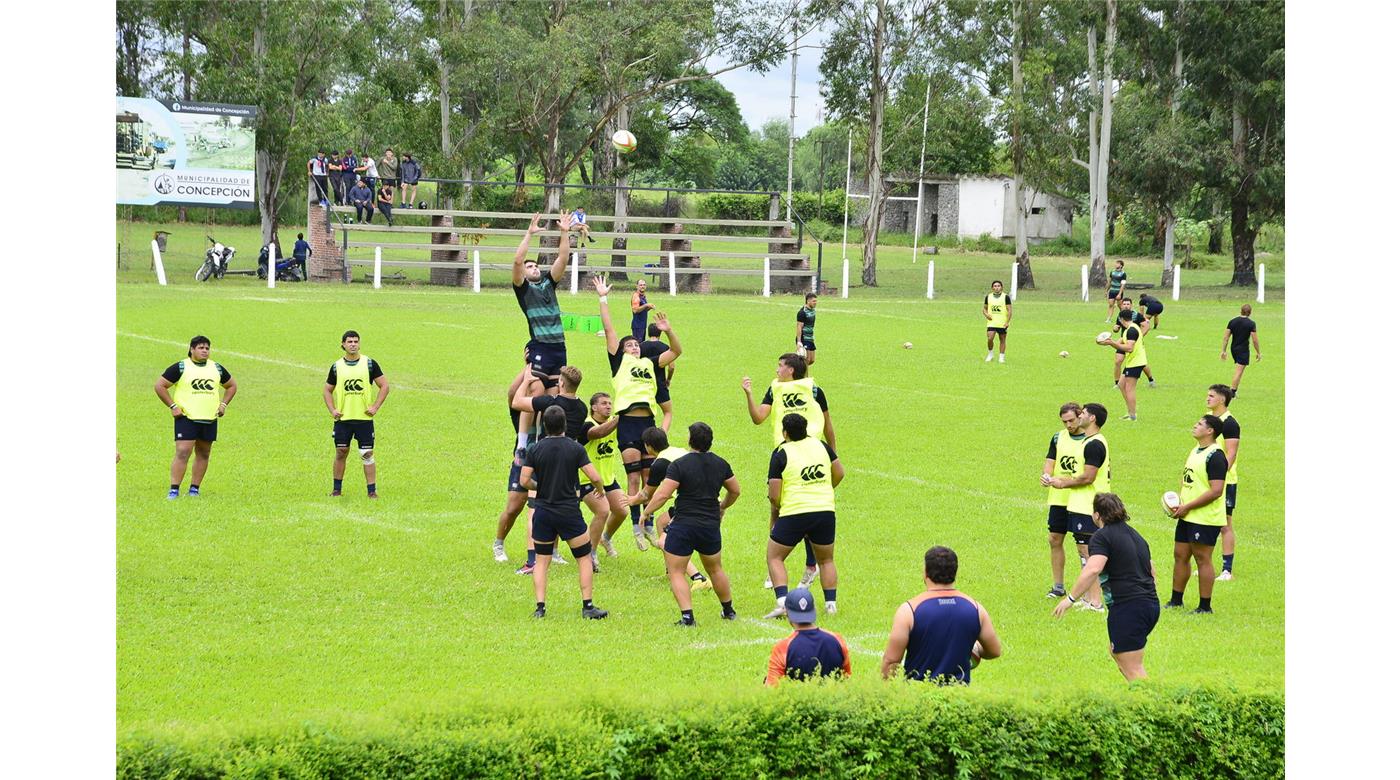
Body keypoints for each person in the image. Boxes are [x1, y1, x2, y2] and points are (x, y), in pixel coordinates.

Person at [594, 274, 681, 539]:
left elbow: (676, 352)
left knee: (649, 477)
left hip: (648, 424)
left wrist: (668, 330)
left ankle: (647, 519)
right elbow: (610, 330)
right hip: (628, 423)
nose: (633, 347)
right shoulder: (620, 363)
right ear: (621, 351)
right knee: (633, 477)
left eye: (635, 344)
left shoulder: (650, 363)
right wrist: (603, 298)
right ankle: (635, 526)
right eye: (628, 345)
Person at [742, 352, 835, 589]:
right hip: (785, 455)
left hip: (812, 452)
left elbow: (828, 424)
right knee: (779, 508)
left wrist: (831, 455)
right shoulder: (775, 390)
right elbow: (758, 418)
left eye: (780, 366)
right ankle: (786, 568)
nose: (776, 370)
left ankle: (802, 565)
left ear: (791, 370)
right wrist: (749, 395)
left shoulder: (814, 391)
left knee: (799, 508)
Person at [640, 422, 740, 626]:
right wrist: (722, 506)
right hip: (710, 525)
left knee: (676, 571)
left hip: (684, 524)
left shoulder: (680, 464)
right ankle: (728, 611)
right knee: (715, 569)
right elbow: (735, 490)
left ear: (690, 440)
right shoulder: (721, 463)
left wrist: (647, 512)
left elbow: (663, 494)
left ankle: (688, 617)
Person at [1052, 493, 1159, 682]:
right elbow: (1152, 572)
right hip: (1149, 606)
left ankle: (1153, 706)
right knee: (1117, 651)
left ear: (1096, 515)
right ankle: (1139, 699)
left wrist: (1070, 599)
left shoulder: (1102, 537)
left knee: (1132, 667)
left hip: (1128, 607)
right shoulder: (1137, 536)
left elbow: (1093, 569)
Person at [519, 406, 609, 619]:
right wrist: (600, 490)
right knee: (584, 557)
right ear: (565, 426)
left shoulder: (535, 449)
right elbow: (595, 476)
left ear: (545, 426)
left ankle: (540, 608)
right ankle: (587, 606)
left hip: (543, 512)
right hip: (568, 511)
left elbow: (524, 480)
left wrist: (539, 488)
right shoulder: (575, 448)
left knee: (542, 561)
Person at [508, 365, 596, 570]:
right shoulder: (582, 408)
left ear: (561, 383)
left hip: (545, 459)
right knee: (566, 508)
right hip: (569, 463)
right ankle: (562, 553)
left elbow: (516, 402)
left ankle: (532, 560)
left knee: (534, 510)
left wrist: (526, 381)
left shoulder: (551, 404)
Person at [880, 546, 1002, 684]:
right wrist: (976, 650)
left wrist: (888, 695)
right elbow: (994, 651)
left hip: (918, 696)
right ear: (955, 572)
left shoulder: (909, 610)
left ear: (925, 573)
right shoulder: (976, 609)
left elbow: (891, 661)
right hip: (956, 699)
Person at [763, 414, 844, 619]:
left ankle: (782, 602)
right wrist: (825, 489)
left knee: (774, 556)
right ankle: (831, 605)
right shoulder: (821, 445)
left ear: (785, 433)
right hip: (825, 510)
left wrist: (781, 506)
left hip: (795, 511)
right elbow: (840, 472)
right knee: (826, 560)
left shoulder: (781, 452)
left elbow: (774, 494)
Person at [511, 214, 569, 453]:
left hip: (559, 348)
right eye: (530, 266)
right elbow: (516, 261)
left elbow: (563, 258)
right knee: (533, 392)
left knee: (553, 399)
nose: (534, 268)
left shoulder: (548, 283)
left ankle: (543, 441)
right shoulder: (523, 290)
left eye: (536, 265)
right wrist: (529, 234)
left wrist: (564, 232)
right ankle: (523, 444)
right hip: (540, 347)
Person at [1042, 402, 1109, 609]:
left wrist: (1063, 482)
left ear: (1088, 417)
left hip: (1085, 501)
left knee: (1089, 550)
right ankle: (1085, 596)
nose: (1070, 424)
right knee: (1079, 547)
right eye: (1065, 421)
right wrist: (1050, 477)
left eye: (1074, 418)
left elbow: (1088, 477)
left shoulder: (1092, 443)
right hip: (1071, 501)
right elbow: (1052, 462)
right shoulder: (1066, 438)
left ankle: (1095, 600)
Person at [154, 335, 237, 499]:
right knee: (183, 452)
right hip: (186, 417)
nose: (205, 351)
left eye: (207, 348)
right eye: (201, 348)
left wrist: (223, 404)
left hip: (209, 418)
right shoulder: (181, 367)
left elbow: (232, 385)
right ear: (192, 349)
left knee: (204, 453)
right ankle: (174, 489)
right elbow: (160, 385)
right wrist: (173, 406)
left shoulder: (217, 368)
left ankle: (194, 489)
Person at [631, 427, 710, 588]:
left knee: (664, 542)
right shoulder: (678, 451)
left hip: (691, 506)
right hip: (707, 500)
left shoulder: (660, 464)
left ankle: (698, 578)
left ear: (648, 446)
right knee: (661, 522)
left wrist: (634, 503)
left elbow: (649, 494)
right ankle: (671, 571)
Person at [1166, 415, 1229, 614]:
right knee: (1180, 555)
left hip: (1205, 517)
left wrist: (1189, 506)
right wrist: (1179, 505)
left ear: (1210, 431)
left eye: (1200, 424)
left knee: (1202, 558)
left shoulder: (1216, 456)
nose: (1195, 425)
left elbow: (1216, 490)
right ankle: (1176, 600)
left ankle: (1204, 606)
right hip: (1188, 514)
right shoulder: (1196, 450)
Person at [323, 330, 389, 498]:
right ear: (343, 345)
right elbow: (327, 390)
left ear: (359, 344)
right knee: (341, 451)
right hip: (343, 419)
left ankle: (372, 491)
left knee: (366, 454)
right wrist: (332, 410)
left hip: (363, 419)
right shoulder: (336, 366)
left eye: (355, 341)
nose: (353, 344)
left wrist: (375, 407)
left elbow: (384, 386)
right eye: (349, 341)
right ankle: (336, 489)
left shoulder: (369, 364)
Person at [764, 588, 852, 685]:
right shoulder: (838, 640)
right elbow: (846, 680)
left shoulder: (782, 648)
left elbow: (772, 688)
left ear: (787, 613)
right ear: (814, 610)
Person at [578, 392, 629, 560]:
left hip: (608, 479)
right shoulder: (586, 424)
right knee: (602, 511)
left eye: (610, 403)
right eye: (604, 403)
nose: (608, 406)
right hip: (587, 479)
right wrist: (617, 419)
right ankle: (590, 553)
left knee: (622, 511)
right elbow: (597, 433)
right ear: (593, 407)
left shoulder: (613, 424)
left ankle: (605, 539)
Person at [1206, 385, 1242, 580]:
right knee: (1208, 522)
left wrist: (1219, 475)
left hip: (1225, 481)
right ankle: (1206, 564)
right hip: (1207, 480)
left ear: (1222, 400)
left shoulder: (1229, 423)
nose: (1207, 398)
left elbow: (1231, 453)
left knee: (1225, 524)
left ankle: (1227, 569)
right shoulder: (1209, 419)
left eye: (1211, 396)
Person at [1099, 310, 1146, 420]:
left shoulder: (1132, 330)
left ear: (1121, 319)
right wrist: (1108, 342)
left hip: (1136, 362)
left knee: (1129, 388)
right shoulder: (1129, 329)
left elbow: (1129, 348)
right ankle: (1130, 411)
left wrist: (1111, 343)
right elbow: (1118, 343)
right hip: (1132, 362)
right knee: (1121, 385)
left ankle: (1133, 415)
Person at [1111, 297, 1156, 388]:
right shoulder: (1121, 315)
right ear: (1121, 305)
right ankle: (1117, 383)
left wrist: (1139, 337)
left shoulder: (1136, 315)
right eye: (1124, 304)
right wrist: (1115, 328)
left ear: (1131, 305)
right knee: (1118, 361)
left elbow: (1146, 326)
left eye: (1128, 304)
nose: (1126, 306)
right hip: (1123, 341)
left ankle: (1151, 379)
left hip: (1133, 342)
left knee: (1141, 364)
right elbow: (1117, 327)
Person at [1221, 304, 1261, 394]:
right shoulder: (1251, 323)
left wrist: (1223, 351)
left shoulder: (1232, 321)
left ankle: (1234, 391)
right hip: (1243, 350)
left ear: (1241, 311)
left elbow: (1226, 337)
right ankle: (1232, 392)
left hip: (1234, 348)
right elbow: (1255, 340)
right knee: (1238, 372)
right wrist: (1258, 352)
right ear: (1250, 313)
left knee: (1239, 371)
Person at [983, 280, 1012, 363]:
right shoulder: (988, 297)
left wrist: (1007, 322)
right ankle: (990, 354)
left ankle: (1001, 357)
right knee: (990, 338)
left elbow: (1009, 310)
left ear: (1001, 287)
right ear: (992, 288)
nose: (997, 287)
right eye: (995, 286)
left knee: (1002, 339)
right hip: (992, 322)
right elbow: (984, 308)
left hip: (1002, 322)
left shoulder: (1006, 297)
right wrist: (986, 314)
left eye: (998, 286)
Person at [795, 292, 818, 367]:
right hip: (804, 338)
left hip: (810, 337)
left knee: (812, 360)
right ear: (808, 301)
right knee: (806, 360)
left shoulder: (812, 310)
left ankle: (800, 370)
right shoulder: (802, 312)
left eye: (816, 301)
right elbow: (799, 327)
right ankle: (804, 376)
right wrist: (799, 341)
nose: (815, 303)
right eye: (814, 301)